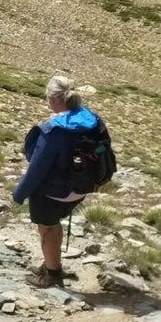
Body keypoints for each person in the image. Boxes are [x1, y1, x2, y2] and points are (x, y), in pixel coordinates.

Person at [14, 76, 104, 288]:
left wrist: (19, 194)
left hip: (53, 190)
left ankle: (52, 274)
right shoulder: (91, 120)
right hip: (80, 187)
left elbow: (37, 168)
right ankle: (52, 263)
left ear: (53, 98)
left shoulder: (53, 130)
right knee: (55, 223)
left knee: (46, 227)